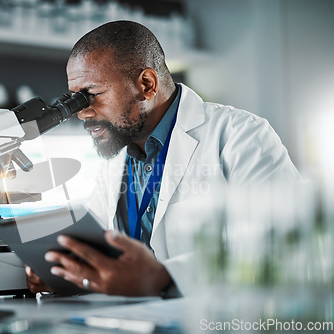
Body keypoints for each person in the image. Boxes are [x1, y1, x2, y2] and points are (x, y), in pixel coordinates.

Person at [25, 20, 301, 297]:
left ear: (146, 84)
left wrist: (164, 277)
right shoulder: (116, 156)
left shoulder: (240, 135)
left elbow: (287, 242)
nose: (83, 113)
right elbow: (102, 248)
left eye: (92, 95)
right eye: (76, 100)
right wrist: (67, 272)